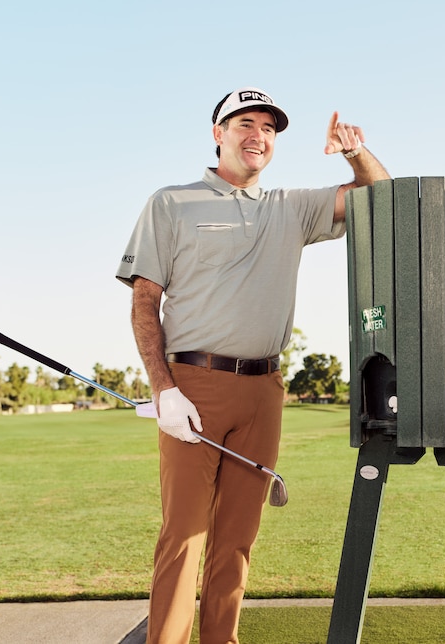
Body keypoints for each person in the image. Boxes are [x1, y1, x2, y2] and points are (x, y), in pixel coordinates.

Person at [115, 86, 389, 644]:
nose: (256, 135)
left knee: (238, 535)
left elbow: (378, 193)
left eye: (267, 127)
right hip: (193, 386)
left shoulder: (292, 206)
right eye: (244, 123)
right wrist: (164, 389)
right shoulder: (170, 201)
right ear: (218, 134)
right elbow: (145, 300)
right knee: (184, 535)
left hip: (264, 390)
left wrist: (352, 152)